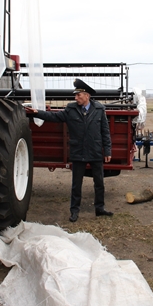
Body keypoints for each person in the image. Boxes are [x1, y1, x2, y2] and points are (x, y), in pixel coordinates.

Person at [25, 78, 113, 223]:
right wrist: (37, 113)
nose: (76, 97)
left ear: (87, 95)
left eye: (78, 95)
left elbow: (105, 131)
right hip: (78, 152)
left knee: (99, 183)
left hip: (95, 151)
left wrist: (108, 151)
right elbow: (54, 116)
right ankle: (74, 211)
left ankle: (100, 208)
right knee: (76, 184)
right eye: (76, 95)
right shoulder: (71, 109)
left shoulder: (99, 109)